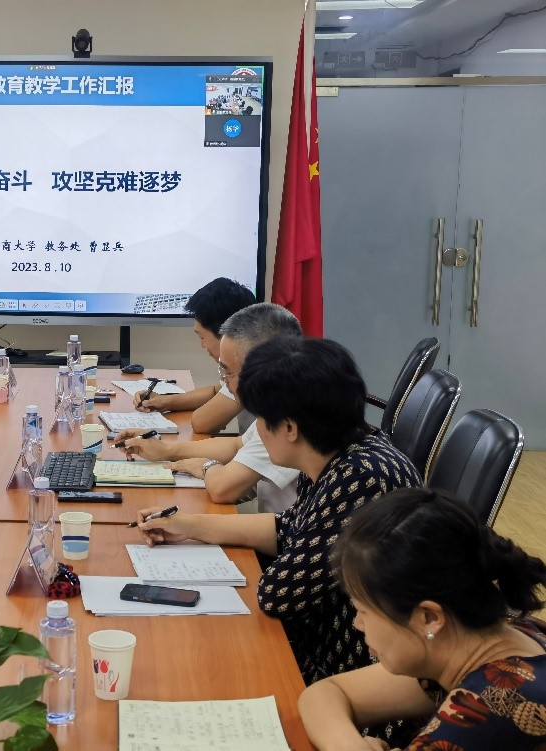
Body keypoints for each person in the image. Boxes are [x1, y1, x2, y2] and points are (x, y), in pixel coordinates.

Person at [136, 336, 422, 684]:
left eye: (260, 419)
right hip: (322, 642)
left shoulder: (362, 479)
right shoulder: (342, 453)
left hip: (347, 667)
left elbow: (278, 593)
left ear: (289, 428)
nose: (256, 430)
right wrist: (188, 525)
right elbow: (289, 528)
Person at [299, 489, 546, 751]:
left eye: (364, 612)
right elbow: (324, 694)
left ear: (428, 617)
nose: (357, 624)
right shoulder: (496, 636)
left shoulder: (480, 715)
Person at [118, 303, 302, 512]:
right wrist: (165, 450)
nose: (225, 382)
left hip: (285, 530)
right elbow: (237, 445)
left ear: (260, 371)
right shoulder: (275, 405)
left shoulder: (285, 417)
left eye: (228, 373)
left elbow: (223, 489)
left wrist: (206, 466)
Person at [133, 278, 255, 434]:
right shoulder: (252, 355)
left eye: (202, 337)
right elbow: (215, 391)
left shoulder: (250, 373)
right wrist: (163, 401)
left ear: (226, 334)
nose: (202, 345)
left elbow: (201, 423)